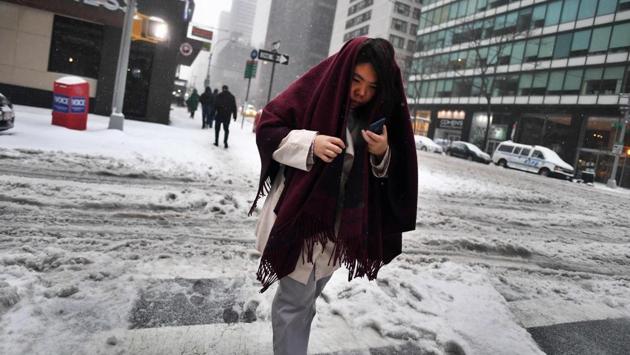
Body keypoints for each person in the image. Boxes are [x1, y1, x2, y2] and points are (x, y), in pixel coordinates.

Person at [249, 37, 418, 355]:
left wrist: (382, 153)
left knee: (306, 302)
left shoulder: (374, 115)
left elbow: (391, 177)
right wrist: (311, 143)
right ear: (345, 71)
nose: (361, 92)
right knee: (293, 304)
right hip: (301, 219)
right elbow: (269, 127)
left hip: (338, 230)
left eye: (372, 86)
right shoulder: (316, 88)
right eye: (356, 80)